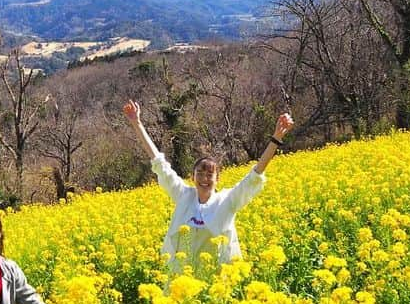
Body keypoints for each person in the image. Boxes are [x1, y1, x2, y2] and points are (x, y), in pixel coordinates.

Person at [122, 100, 294, 275]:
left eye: (209, 174)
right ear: (192, 177)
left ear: (217, 179)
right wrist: (137, 123)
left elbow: (255, 175)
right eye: (200, 173)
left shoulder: (228, 201)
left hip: (215, 282)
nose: (204, 179)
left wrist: (276, 139)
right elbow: (159, 163)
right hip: (179, 280)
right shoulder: (183, 195)